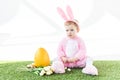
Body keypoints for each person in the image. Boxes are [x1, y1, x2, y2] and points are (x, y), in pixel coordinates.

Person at [52, 5, 98, 75]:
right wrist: (63, 57)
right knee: (56, 59)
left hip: (77, 61)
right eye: (67, 30)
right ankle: (59, 68)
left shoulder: (79, 40)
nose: (69, 32)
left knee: (89, 58)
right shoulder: (63, 40)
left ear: (77, 30)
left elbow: (83, 50)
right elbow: (59, 50)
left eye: (72, 30)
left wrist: (76, 58)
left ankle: (89, 68)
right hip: (66, 61)